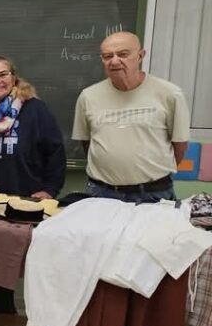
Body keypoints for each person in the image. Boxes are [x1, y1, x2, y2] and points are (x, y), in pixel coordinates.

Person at [0, 55, 66, 319]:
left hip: (26, 199)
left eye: (3, 74)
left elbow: (55, 151)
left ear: (13, 77)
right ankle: (4, 312)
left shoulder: (33, 110)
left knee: (35, 259)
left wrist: (50, 189)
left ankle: (48, 318)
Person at [73, 31, 190, 204]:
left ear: (141, 56)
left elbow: (179, 145)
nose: (114, 61)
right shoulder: (88, 96)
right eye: (107, 56)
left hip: (153, 194)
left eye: (123, 54)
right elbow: (87, 142)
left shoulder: (170, 94)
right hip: (100, 192)